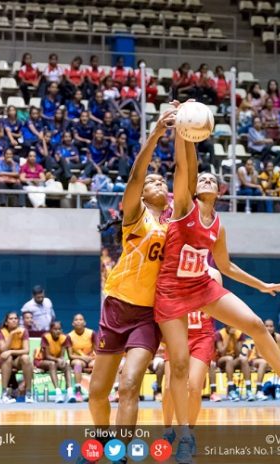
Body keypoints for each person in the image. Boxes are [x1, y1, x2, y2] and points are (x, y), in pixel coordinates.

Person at [155, 125, 280, 463]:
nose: (203, 180)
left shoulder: (218, 225)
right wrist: (184, 133)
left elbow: (227, 267)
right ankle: (182, 436)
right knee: (177, 370)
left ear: (219, 191)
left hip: (201, 287)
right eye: (200, 178)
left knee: (257, 325)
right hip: (171, 293)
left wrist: (262, 285)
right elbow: (183, 166)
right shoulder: (183, 206)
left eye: (210, 180)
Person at [86, 108, 177, 431]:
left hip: (147, 315)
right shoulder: (136, 216)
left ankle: (120, 452)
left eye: (160, 180)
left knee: (129, 386)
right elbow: (137, 177)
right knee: (97, 393)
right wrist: (155, 134)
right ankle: (100, 439)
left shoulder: (173, 225)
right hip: (116, 307)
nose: (155, 182)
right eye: (151, 180)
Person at [161, 267, 223, 449]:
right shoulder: (172, 270)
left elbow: (217, 307)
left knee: (195, 387)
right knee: (168, 388)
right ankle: (168, 430)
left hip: (202, 334)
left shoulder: (213, 274)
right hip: (177, 331)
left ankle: (188, 434)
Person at [0, 311, 34, 403]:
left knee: (26, 358)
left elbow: (26, 350)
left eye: (16, 318)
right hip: (2, 360)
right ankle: (4, 395)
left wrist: (11, 351)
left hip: (17, 359)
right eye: (11, 319)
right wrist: (12, 335)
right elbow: (3, 349)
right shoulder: (0, 332)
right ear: (6, 322)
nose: (14, 320)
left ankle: (28, 394)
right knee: (7, 358)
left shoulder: (23, 331)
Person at [34, 321, 75, 403]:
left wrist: (62, 360)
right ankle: (58, 393)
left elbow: (63, 355)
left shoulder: (65, 338)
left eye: (59, 329)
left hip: (60, 360)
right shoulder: (46, 337)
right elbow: (46, 356)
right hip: (42, 360)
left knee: (67, 365)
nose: (57, 331)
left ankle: (70, 391)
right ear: (50, 330)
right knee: (53, 364)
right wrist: (58, 360)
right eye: (55, 329)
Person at [215, 324, 252, 401]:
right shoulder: (219, 334)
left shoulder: (239, 334)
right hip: (222, 360)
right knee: (229, 358)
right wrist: (229, 337)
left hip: (234, 360)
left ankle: (249, 390)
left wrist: (234, 338)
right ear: (225, 326)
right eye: (229, 325)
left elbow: (238, 353)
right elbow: (222, 352)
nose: (232, 327)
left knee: (244, 359)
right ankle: (231, 390)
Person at [66, 313, 96, 403]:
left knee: (97, 364)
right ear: (73, 324)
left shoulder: (91, 333)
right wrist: (83, 358)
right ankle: (78, 391)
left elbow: (97, 350)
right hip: (77, 359)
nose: (78, 321)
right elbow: (70, 355)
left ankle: (94, 392)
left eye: (81, 319)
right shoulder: (69, 336)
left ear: (85, 322)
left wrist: (90, 358)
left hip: (91, 359)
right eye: (76, 320)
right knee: (78, 364)